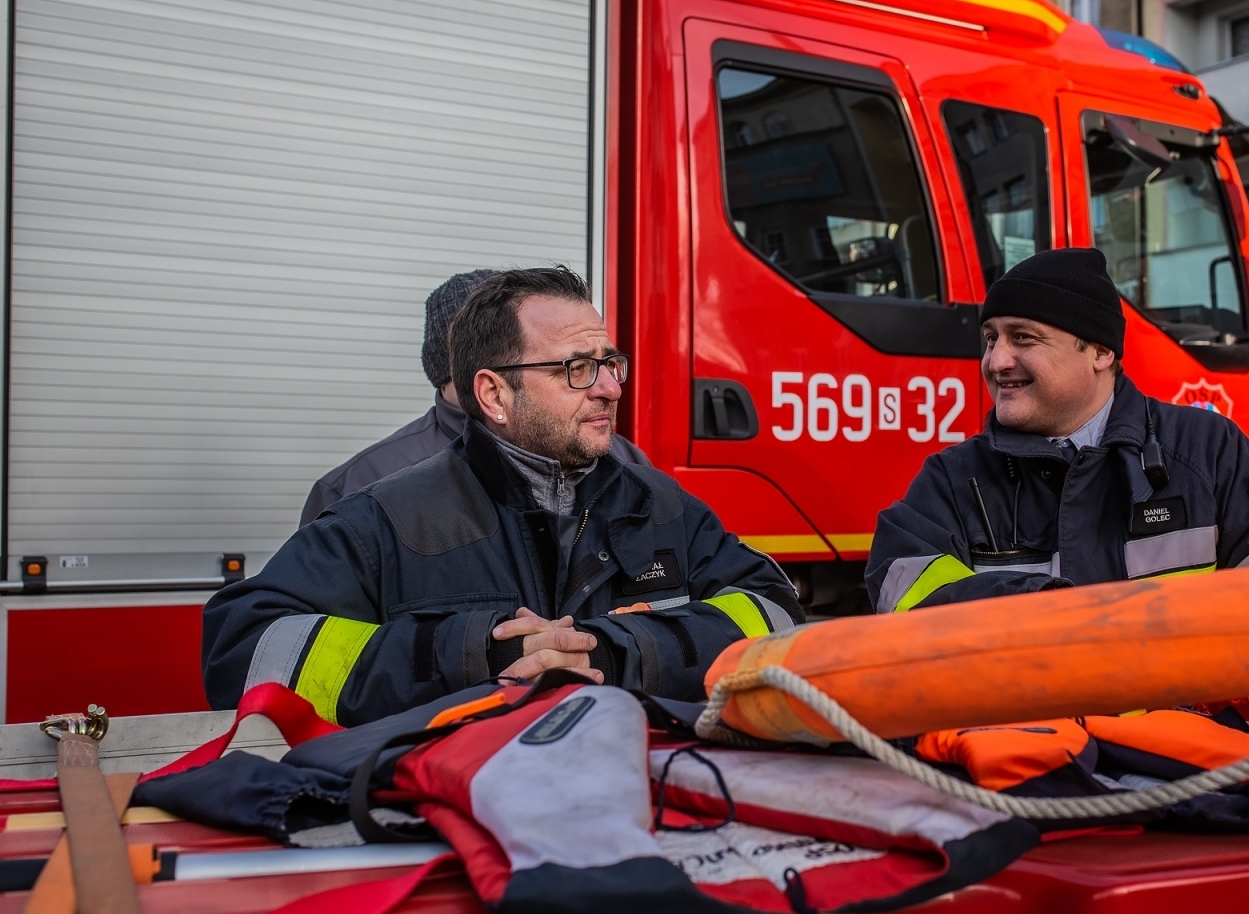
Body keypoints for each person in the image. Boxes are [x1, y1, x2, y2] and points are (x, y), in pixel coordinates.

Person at [205, 267, 802, 725]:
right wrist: (474, 656)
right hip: (450, 828)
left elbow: (776, 613)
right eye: (576, 368)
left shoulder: (661, 504)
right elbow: (244, 647)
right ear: (494, 394)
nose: (610, 388)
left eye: (610, 363)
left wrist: (616, 653)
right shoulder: (388, 517)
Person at [866, 248, 1249, 613]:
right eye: (991, 339)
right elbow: (899, 585)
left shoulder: (1205, 449)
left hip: (1185, 729)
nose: (996, 361)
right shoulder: (953, 478)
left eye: (1022, 337)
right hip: (1037, 734)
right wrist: (1042, 608)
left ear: (1100, 352)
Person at [299, 269, 650, 528]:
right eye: (576, 367)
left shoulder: (623, 461)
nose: (609, 388)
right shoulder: (360, 485)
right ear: (486, 384)